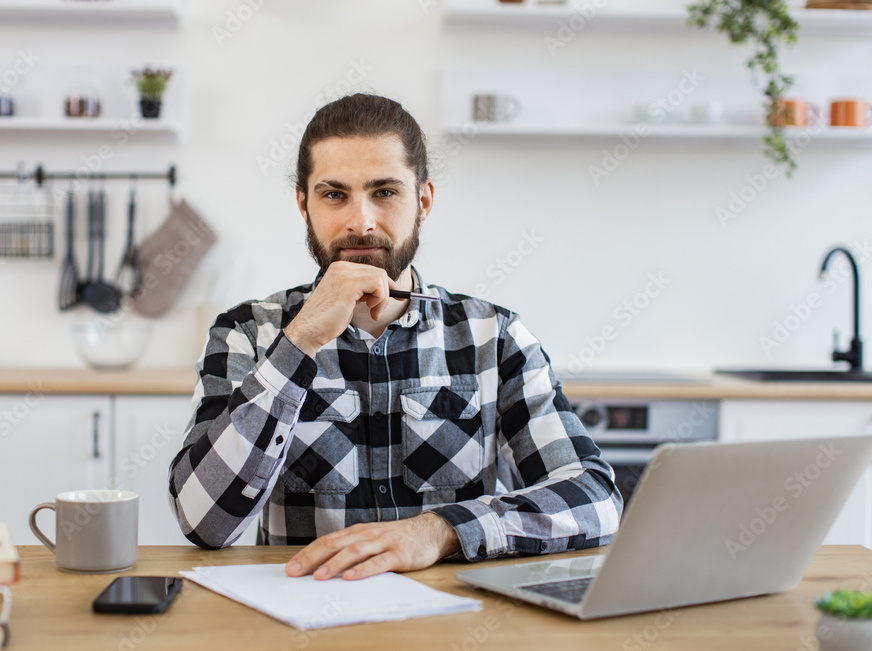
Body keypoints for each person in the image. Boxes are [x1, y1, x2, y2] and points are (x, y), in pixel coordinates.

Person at [167, 93, 622, 582]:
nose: (360, 221)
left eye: (384, 192)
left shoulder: (495, 336)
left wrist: (441, 530)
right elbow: (203, 522)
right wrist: (298, 343)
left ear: (422, 201)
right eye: (334, 194)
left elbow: (595, 500)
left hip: (455, 624)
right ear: (304, 205)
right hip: (302, 619)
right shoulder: (247, 333)